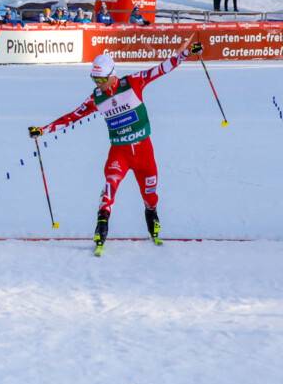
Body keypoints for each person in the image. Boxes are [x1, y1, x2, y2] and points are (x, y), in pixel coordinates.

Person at [28, 42, 205, 256]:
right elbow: (72, 116)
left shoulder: (132, 82)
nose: (99, 84)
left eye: (102, 79)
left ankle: (151, 214)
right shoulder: (96, 97)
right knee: (110, 187)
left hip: (143, 151)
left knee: (150, 195)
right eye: (95, 80)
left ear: (113, 75)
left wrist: (186, 53)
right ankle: (102, 225)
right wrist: (43, 130)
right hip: (119, 152)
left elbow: (162, 68)